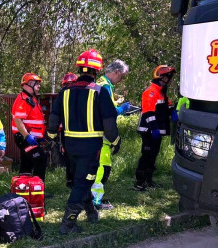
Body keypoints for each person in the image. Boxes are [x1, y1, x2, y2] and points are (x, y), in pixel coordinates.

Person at [47, 49, 121, 235]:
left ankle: (90, 211)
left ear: (80, 68)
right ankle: (68, 222)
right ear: (97, 70)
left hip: (69, 146)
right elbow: (110, 126)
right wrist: (116, 141)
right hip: (90, 148)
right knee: (82, 182)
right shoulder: (100, 92)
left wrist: (51, 138)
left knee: (81, 179)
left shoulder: (65, 91)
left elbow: (53, 121)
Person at [91, 60, 130, 210]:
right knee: (101, 169)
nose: (121, 80)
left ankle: (96, 198)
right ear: (116, 72)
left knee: (101, 167)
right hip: (103, 133)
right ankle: (95, 202)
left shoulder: (100, 83)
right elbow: (108, 112)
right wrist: (121, 109)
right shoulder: (105, 86)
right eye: (122, 76)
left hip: (98, 132)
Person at [134, 65, 177, 191]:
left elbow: (167, 106)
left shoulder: (161, 92)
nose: (171, 80)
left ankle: (148, 180)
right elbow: (148, 112)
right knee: (146, 155)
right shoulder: (151, 91)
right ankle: (139, 182)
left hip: (156, 130)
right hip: (149, 130)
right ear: (162, 77)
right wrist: (154, 129)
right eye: (169, 77)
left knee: (153, 155)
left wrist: (173, 111)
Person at [12, 73, 47, 182]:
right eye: (37, 84)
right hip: (25, 139)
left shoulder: (30, 99)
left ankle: (24, 189)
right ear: (29, 84)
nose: (39, 86)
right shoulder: (23, 100)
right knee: (40, 159)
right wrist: (27, 137)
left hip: (30, 138)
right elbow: (18, 120)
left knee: (26, 164)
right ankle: (38, 188)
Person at [59, 72, 79, 188]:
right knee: (70, 156)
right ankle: (71, 180)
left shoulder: (64, 94)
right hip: (69, 130)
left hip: (68, 130)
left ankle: (71, 180)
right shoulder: (75, 95)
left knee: (71, 156)